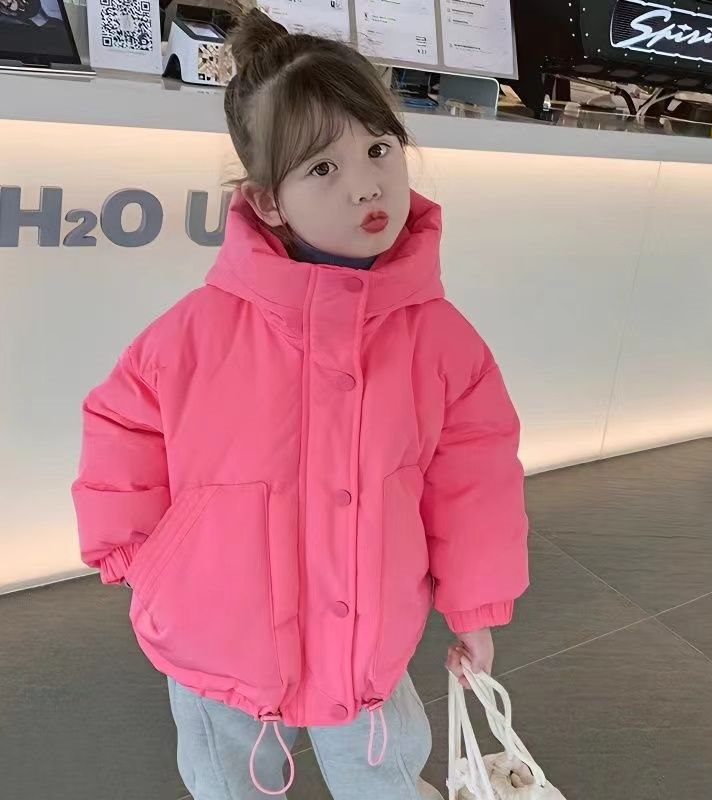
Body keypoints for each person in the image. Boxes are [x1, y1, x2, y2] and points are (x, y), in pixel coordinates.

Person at [72, 9, 529, 800]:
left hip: (367, 635)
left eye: (379, 148)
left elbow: (476, 476)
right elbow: (121, 426)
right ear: (268, 202)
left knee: (385, 772)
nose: (366, 184)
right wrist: (142, 557)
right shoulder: (196, 333)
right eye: (322, 168)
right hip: (219, 632)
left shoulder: (441, 341)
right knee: (228, 779)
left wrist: (475, 604)